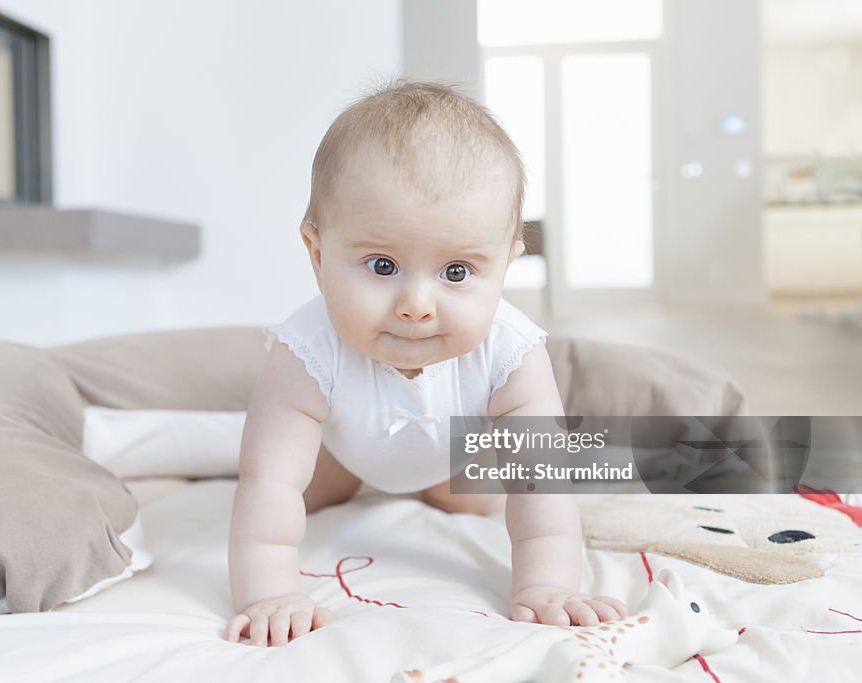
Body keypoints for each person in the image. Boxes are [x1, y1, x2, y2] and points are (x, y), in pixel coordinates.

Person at [225, 80, 626, 647]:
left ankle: (429, 485)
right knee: (279, 481)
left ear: (508, 262)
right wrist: (268, 592)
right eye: (382, 265)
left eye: (457, 272)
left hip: (455, 458)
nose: (416, 306)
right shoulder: (306, 350)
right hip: (343, 451)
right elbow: (269, 484)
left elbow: (543, 485)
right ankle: (353, 479)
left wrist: (549, 586)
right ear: (318, 256)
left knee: (486, 492)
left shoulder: (512, 352)